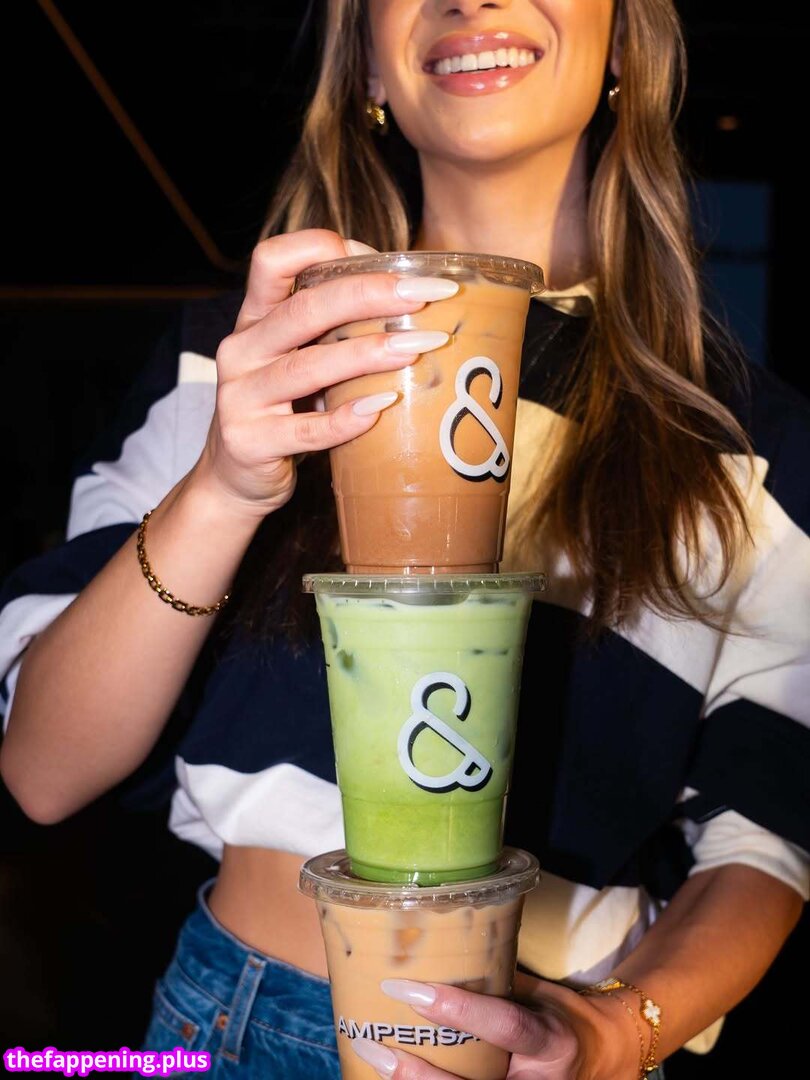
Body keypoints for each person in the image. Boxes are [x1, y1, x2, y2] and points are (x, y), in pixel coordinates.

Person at [1, 0, 807, 1077]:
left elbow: (765, 842)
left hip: (531, 1040)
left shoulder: (745, 447)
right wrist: (223, 490)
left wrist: (617, 1031)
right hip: (225, 1019)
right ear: (368, 67)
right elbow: (42, 772)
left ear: (622, 39)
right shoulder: (238, 363)